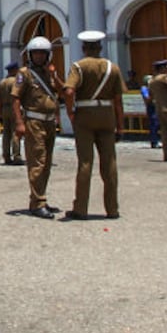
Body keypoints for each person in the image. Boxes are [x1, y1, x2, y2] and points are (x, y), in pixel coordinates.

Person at [62, 31, 124, 219]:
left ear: (84, 48)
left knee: (85, 162)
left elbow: (69, 90)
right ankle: (112, 209)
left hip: (85, 115)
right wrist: (120, 126)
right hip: (107, 115)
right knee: (110, 162)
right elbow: (118, 100)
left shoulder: (78, 67)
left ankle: (81, 208)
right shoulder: (112, 68)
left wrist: (71, 111)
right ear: (100, 47)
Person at [14, 35, 63, 218]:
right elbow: (16, 99)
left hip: (49, 122)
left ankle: (41, 198)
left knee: (47, 163)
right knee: (37, 162)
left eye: (43, 54)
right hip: (34, 122)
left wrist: (54, 75)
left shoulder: (48, 73)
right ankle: (37, 202)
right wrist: (19, 123)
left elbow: (62, 91)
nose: (39, 57)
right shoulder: (24, 74)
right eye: (36, 54)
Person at [147, 60, 167, 163]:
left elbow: (150, 96)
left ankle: (166, 153)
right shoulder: (164, 78)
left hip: (159, 108)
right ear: (162, 68)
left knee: (165, 132)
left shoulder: (152, 80)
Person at [0, 61, 22, 165]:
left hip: (4, 109)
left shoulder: (1, 82)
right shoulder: (16, 82)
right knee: (15, 132)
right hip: (14, 108)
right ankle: (16, 156)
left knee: (6, 134)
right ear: (15, 70)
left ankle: (6, 156)